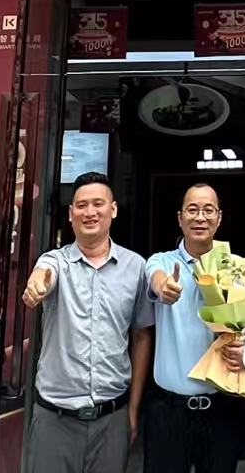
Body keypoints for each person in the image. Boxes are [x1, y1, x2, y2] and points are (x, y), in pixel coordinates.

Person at [23, 171, 154, 473]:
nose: (90, 212)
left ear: (113, 209)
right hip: (55, 420)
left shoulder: (136, 267)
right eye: (81, 205)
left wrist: (133, 409)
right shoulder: (55, 261)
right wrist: (36, 286)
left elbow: (142, 337)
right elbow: (43, 275)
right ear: (71, 214)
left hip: (112, 419)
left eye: (98, 204)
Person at [144, 183, 245, 473]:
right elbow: (155, 277)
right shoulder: (162, 261)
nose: (200, 217)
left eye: (208, 210)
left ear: (219, 217)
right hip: (169, 411)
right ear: (180, 218)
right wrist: (163, 287)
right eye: (192, 210)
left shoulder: (238, 269)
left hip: (222, 409)